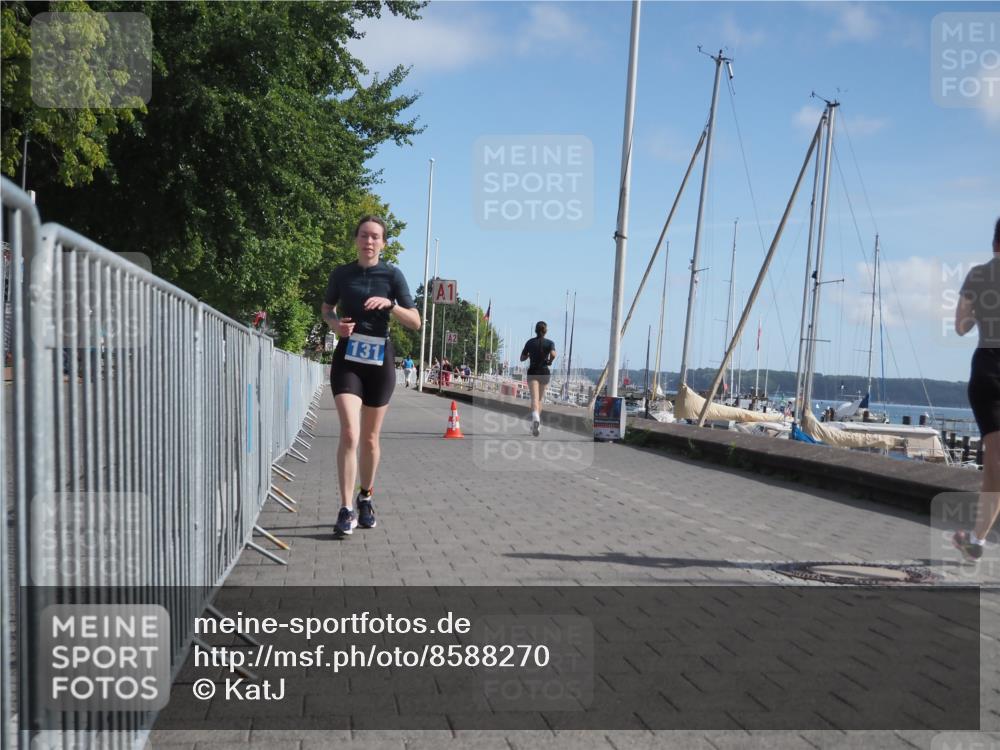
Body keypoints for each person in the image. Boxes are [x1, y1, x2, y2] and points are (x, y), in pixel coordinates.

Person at [321, 216, 421, 538]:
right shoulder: (342, 274)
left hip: (380, 361)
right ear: (356, 239)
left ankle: (366, 497)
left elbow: (416, 322)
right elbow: (326, 309)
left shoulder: (392, 275)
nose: (369, 241)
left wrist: (391, 305)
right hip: (348, 358)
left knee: (370, 438)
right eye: (364, 235)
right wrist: (336, 326)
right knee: (350, 433)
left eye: (376, 237)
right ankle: (345, 507)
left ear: (383, 243)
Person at [954, 217, 1000, 561]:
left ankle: (977, 541)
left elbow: (960, 326)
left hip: (986, 370)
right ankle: (977, 541)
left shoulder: (977, 275)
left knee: (995, 467)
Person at [520, 321, 556, 436]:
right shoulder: (550, 343)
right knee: (540, 399)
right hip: (544, 372)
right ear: (545, 331)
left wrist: (529, 355)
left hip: (533, 372)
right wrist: (550, 361)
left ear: (536, 330)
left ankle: (535, 418)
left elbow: (522, 358)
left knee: (534, 399)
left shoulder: (530, 342)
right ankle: (536, 423)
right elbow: (554, 354)